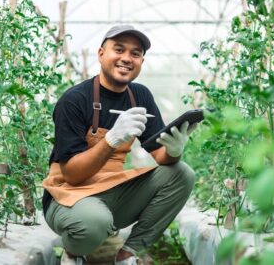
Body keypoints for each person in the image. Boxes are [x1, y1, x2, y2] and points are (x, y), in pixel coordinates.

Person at [42, 25, 198, 265]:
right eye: (119, 49)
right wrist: (110, 140)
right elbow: (71, 174)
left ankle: (127, 254)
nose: (127, 58)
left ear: (141, 61)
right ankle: (73, 252)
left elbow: (160, 155)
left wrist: (174, 150)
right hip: (68, 197)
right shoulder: (75, 100)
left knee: (182, 174)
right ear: (101, 53)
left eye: (135, 54)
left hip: (112, 191)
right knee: (94, 222)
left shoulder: (139, 97)